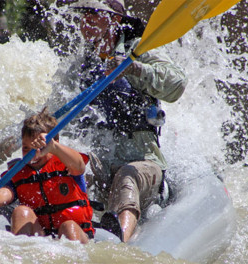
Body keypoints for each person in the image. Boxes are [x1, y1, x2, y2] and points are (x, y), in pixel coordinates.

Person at [57, 0, 188, 242]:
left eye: (94, 14)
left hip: (142, 162)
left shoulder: (138, 49)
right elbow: (57, 111)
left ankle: (118, 241)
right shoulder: (81, 66)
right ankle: (67, 231)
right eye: (84, 14)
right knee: (69, 167)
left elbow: (178, 85)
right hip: (102, 162)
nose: (86, 21)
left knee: (127, 176)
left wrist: (134, 69)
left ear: (114, 20)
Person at [0, 108, 95, 243]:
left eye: (39, 148)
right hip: (41, 237)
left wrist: (53, 147)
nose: (32, 155)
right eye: (26, 148)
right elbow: (4, 194)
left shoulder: (67, 162)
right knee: (21, 211)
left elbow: (79, 166)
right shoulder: (19, 172)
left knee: (68, 226)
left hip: (76, 234)